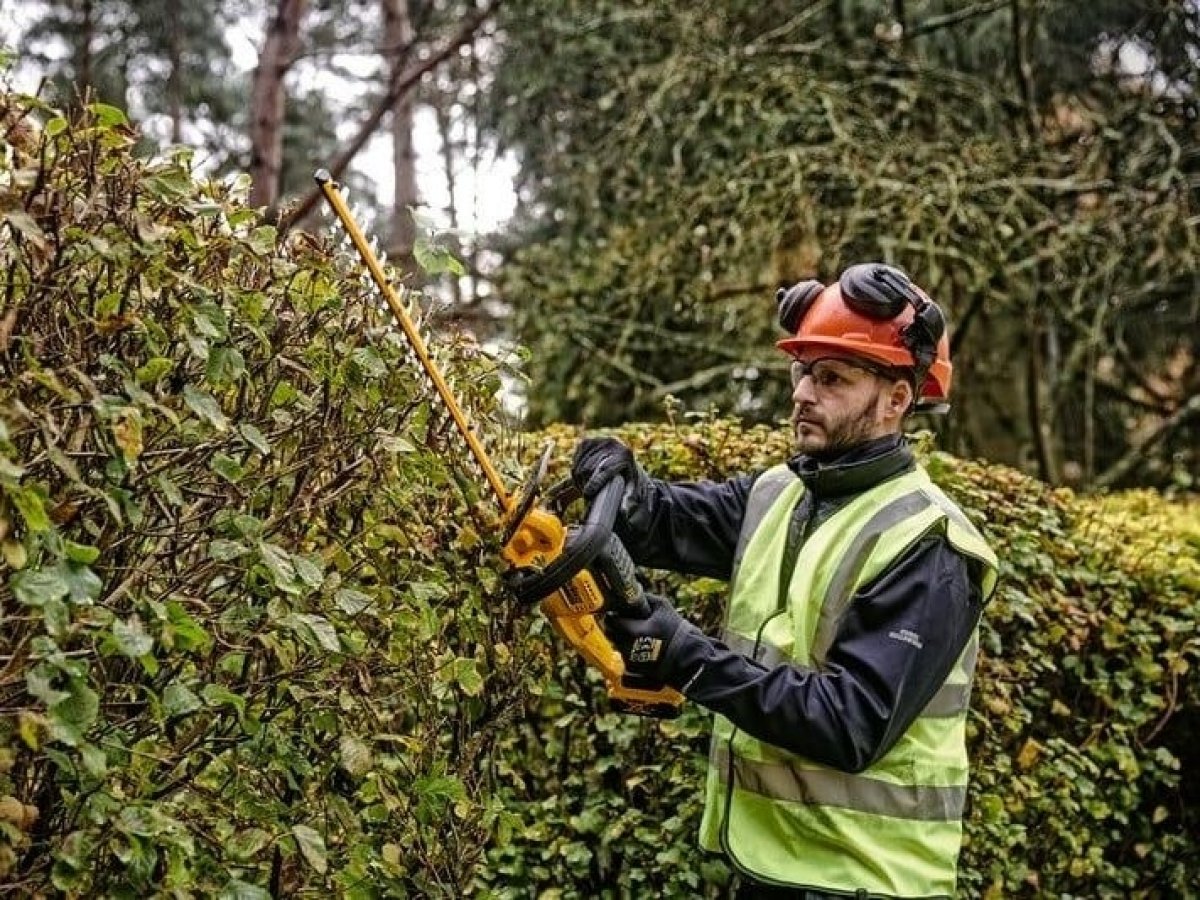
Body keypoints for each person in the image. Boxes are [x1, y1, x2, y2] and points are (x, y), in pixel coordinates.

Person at [572, 263, 998, 900]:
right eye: (802, 372)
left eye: (832, 378)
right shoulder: (781, 494)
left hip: (866, 880)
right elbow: (661, 522)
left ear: (896, 399)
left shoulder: (929, 544)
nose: (802, 393)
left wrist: (685, 655)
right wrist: (616, 479)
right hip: (774, 869)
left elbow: (850, 723)